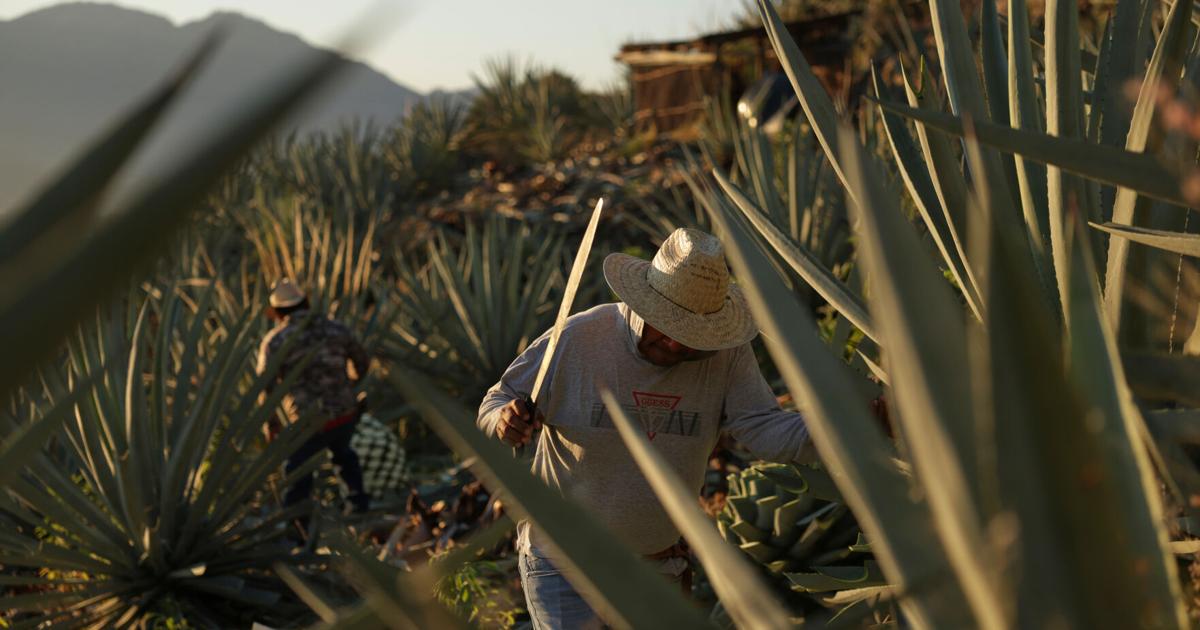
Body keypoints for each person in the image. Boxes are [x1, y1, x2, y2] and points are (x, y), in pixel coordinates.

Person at [477, 228, 818, 629]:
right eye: (668, 327)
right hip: (563, 564)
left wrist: (859, 428)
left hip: (659, 568)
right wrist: (505, 421)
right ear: (643, 303)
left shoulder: (724, 355)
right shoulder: (579, 338)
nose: (676, 346)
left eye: (693, 337)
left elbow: (763, 427)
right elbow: (494, 403)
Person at [257, 278, 371, 515]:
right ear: (306, 302)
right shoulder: (336, 328)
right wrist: (349, 386)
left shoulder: (276, 341)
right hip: (344, 413)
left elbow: (265, 387)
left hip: (308, 420)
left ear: (278, 311)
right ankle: (358, 505)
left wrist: (271, 423)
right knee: (344, 454)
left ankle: (297, 525)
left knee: (299, 469)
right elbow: (362, 361)